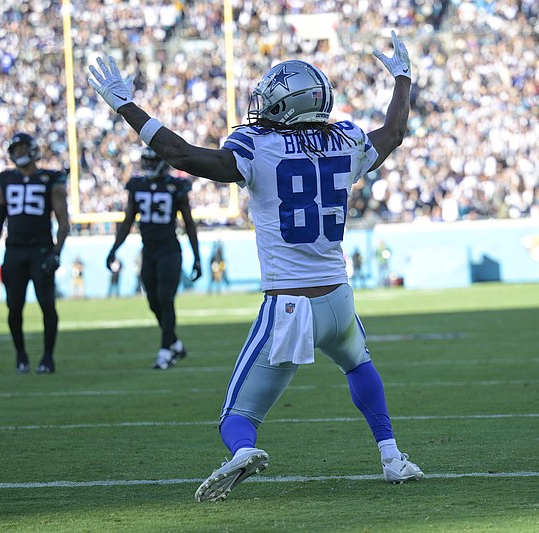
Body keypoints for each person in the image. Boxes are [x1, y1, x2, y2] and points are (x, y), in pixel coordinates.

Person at [88, 30, 422, 502]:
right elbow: (394, 133)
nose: (261, 107)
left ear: (289, 104)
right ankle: (392, 457)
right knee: (358, 364)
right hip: (339, 298)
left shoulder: (258, 145)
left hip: (289, 305)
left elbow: (181, 155)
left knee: (236, 417)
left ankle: (243, 451)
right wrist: (403, 79)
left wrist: (126, 106)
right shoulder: (346, 139)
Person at [105, 146, 202, 370]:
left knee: (166, 298)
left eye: (152, 161)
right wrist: (114, 249)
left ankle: (165, 352)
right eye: (146, 161)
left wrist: (196, 255)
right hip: (148, 251)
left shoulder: (176, 186)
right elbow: (128, 220)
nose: (148, 166)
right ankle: (175, 343)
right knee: (153, 300)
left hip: (169, 249)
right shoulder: (137, 186)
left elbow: (188, 223)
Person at [0, 132, 70, 374]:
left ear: (33, 150)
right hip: (14, 250)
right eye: (16, 149)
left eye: (23, 148)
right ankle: (21, 355)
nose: (19, 153)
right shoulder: (5, 180)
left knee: (47, 304)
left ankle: (47, 357)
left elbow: (64, 220)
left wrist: (57, 252)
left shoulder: (50, 178)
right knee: (13, 306)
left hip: (41, 249)